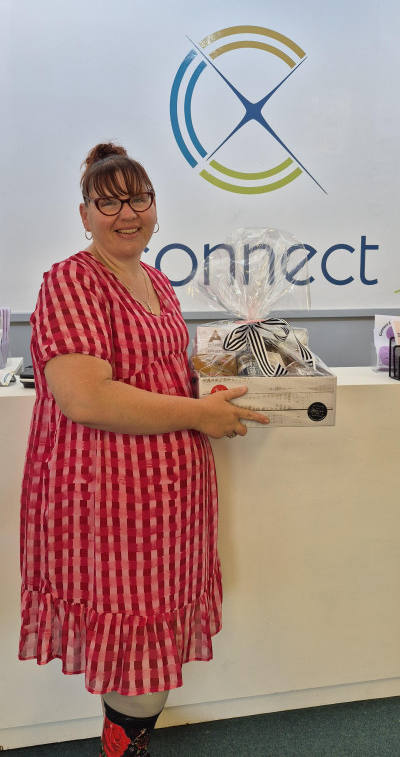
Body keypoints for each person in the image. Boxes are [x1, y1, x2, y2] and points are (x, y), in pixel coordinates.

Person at [19, 142, 269, 757]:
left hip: (170, 498)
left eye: (139, 198)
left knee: (149, 641)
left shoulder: (156, 280)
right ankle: (124, 746)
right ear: (84, 215)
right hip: (109, 498)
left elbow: (158, 371)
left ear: (155, 207)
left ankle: (127, 742)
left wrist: (232, 367)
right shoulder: (71, 280)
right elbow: (86, 398)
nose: (126, 213)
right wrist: (200, 413)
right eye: (109, 202)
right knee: (135, 649)